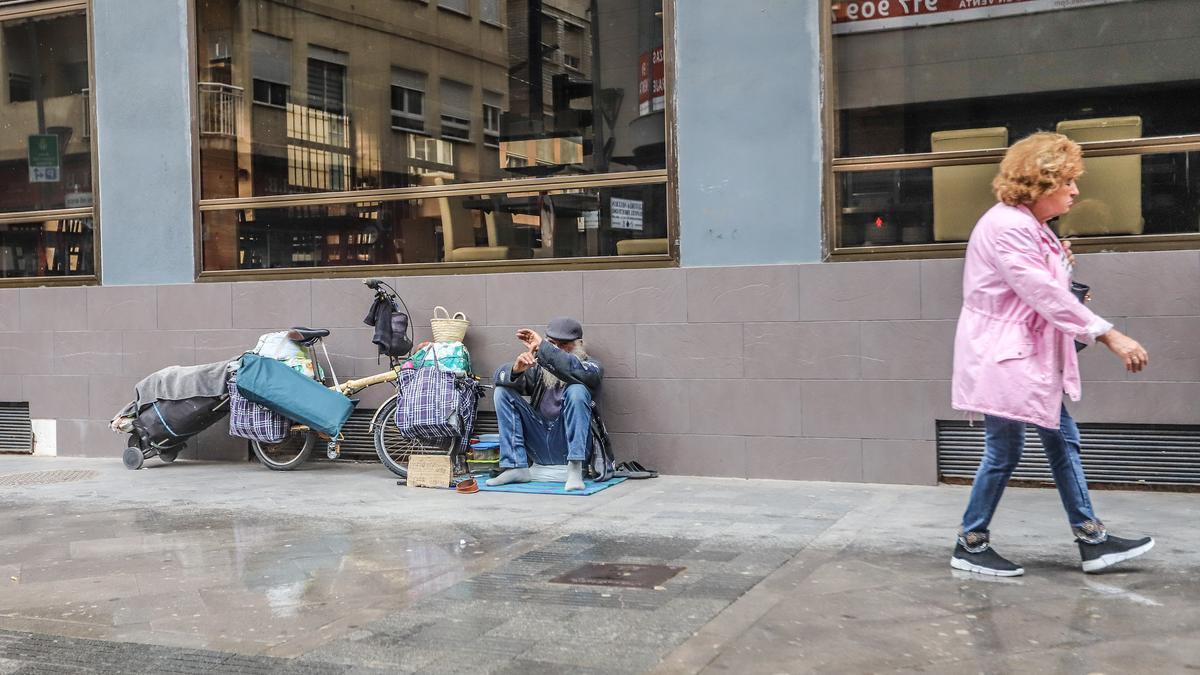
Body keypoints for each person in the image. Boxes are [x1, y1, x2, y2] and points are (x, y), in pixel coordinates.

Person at [950, 132, 1154, 577]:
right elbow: (1040, 293)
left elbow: (1041, 287)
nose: (1076, 191)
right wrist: (1108, 334)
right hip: (1007, 356)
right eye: (1067, 181)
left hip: (1019, 355)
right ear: (1040, 184)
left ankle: (1090, 539)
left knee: (1056, 439)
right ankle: (971, 543)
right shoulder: (1009, 227)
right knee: (1008, 449)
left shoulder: (1028, 226)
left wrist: (1061, 265)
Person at [487, 317, 602, 491]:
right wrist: (516, 370)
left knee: (577, 390)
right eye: (552, 343)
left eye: (563, 344)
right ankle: (515, 466)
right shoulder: (540, 369)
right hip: (539, 439)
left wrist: (544, 348)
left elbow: (569, 367)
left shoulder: (591, 367)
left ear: (579, 344)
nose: (557, 349)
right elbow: (500, 378)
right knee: (502, 391)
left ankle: (575, 470)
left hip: (567, 442)